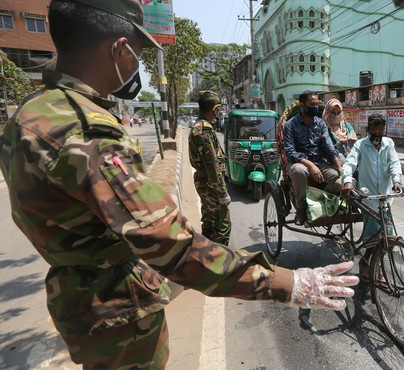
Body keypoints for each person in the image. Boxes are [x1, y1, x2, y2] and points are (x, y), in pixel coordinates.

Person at [0, 1, 358, 368]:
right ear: (119, 49)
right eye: (137, 54)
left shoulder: (32, 114)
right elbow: (166, 242)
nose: (135, 65)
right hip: (118, 309)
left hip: (82, 297)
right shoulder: (86, 130)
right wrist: (288, 284)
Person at [341, 114, 404, 282]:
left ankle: (370, 264)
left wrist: (396, 180)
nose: (378, 135)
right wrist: (347, 181)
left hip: (385, 197)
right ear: (368, 130)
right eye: (375, 131)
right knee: (376, 236)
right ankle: (368, 265)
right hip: (368, 197)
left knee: (387, 235)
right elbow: (349, 164)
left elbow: (394, 163)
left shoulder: (388, 143)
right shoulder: (360, 145)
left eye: (381, 131)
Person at [283, 91, 342, 225]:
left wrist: (339, 167)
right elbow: (290, 152)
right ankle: (301, 208)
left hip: (319, 162)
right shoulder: (290, 125)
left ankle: (322, 200)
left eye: (317, 104)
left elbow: (329, 147)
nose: (315, 107)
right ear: (303, 106)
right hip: (299, 162)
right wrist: (310, 165)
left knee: (338, 179)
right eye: (312, 104)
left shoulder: (321, 124)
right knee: (300, 171)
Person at [189, 91, 232, 245]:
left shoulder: (200, 127)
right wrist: (222, 192)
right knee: (223, 225)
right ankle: (219, 262)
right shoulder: (204, 130)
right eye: (218, 109)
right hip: (210, 184)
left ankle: (206, 257)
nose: (218, 113)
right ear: (215, 109)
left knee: (209, 222)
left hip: (205, 182)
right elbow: (212, 165)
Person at [323, 98, 357, 163]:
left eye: (338, 113)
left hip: (349, 153)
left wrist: (349, 140)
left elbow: (354, 139)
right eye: (333, 113)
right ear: (327, 112)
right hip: (332, 157)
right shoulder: (323, 126)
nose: (336, 115)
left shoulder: (347, 125)